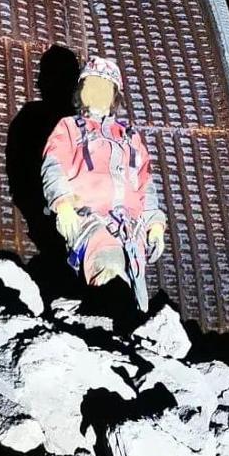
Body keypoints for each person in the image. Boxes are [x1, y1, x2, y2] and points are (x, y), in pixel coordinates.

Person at [40, 55, 167, 310]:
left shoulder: (130, 138)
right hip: (88, 220)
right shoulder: (70, 128)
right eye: (91, 85)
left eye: (104, 87)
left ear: (114, 97)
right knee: (108, 269)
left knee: (136, 291)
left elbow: (145, 184)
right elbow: (53, 166)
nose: (97, 93)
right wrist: (63, 205)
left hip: (131, 228)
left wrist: (155, 224)